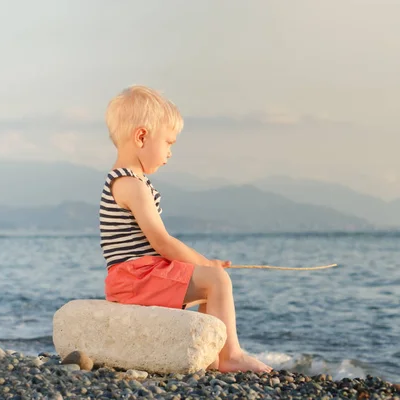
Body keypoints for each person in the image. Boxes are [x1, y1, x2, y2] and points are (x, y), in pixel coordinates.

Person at [99, 85, 271, 373]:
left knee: (210, 282)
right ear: (142, 136)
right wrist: (205, 265)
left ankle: (211, 355)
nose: (169, 152)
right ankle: (230, 356)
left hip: (137, 275)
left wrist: (205, 266)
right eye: (169, 142)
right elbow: (162, 242)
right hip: (136, 278)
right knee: (217, 282)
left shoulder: (130, 181)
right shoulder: (131, 184)